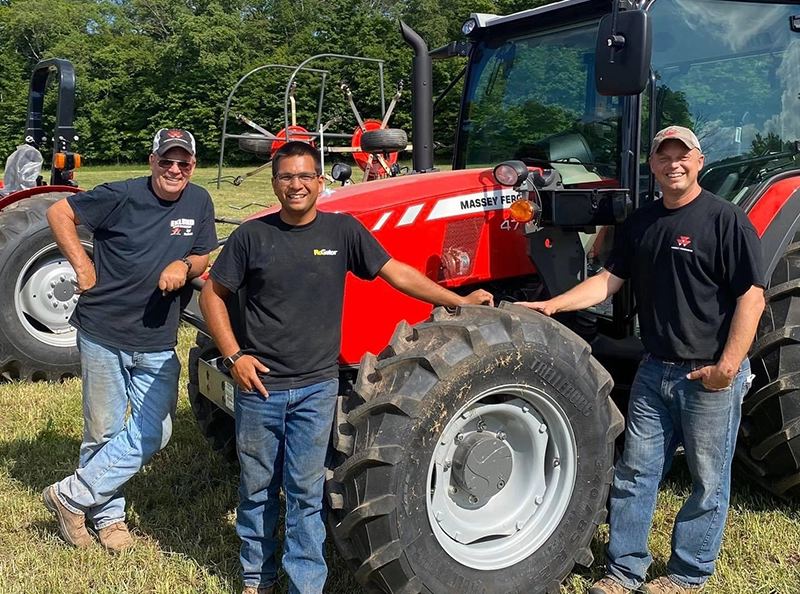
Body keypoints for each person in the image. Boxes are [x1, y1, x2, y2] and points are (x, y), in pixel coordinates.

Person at [198, 141, 493, 594]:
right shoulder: (252, 237)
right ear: (275, 183)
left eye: (304, 177)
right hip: (262, 388)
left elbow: (398, 273)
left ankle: (306, 584)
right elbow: (212, 295)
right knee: (256, 490)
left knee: (304, 492)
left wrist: (458, 301)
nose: (295, 185)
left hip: (317, 388)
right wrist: (235, 357)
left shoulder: (342, 232)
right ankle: (257, 577)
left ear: (320, 181)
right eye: (285, 177)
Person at [519, 126, 765, 594]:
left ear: (699, 160)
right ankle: (623, 571)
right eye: (663, 156)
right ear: (652, 164)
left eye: (682, 156)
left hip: (707, 372)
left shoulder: (726, 220)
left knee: (708, 479)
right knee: (636, 471)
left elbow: (752, 298)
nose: (673, 164)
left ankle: (688, 573)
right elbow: (608, 281)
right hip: (655, 368)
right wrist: (553, 305)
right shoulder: (643, 222)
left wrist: (727, 369)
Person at [42, 128, 218, 551]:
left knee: (155, 430)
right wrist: (83, 266)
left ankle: (70, 496)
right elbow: (58, 213)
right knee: (102, 432)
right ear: (152, 160)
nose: (174, 169)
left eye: (184, 163)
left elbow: (203, 255)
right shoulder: (120, 195)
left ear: (192, 166)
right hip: (104, 331)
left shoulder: (199, 201)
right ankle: (108, 520)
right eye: (166, 161)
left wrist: (185, 265)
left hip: (157, 338)